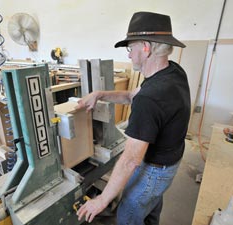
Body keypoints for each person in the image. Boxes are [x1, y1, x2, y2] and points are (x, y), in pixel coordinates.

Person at [76, 11, 191, 225]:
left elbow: (130, 161)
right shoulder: (173, 71)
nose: (129, 55)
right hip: (170, 161)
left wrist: (101, 200)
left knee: (129, 209)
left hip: (156, 170)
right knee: (151, 203)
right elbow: (131, 96)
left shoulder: (151, 98)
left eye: (131, 48)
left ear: (146, 48)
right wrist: (100, 94)